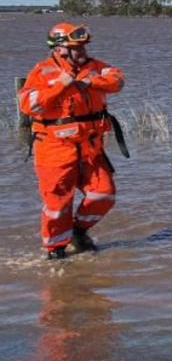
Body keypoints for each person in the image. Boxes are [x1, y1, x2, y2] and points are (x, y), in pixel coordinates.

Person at [18, 23, 126, 259]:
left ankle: (78, 231)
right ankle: (56, 252)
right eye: (76, 48)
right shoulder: (42, 72)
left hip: (91, 150)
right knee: (57, 206)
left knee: (104, 194)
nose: (82, 52)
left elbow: (117, 80)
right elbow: (28, 104)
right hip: (54, 151)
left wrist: (92, 82)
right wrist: (60, 86)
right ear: (60, 49)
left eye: (83, 47)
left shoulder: (95, 67)